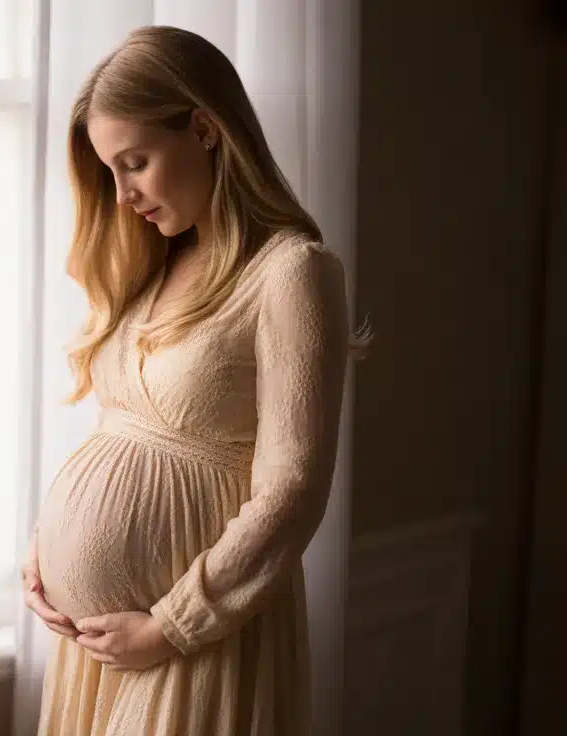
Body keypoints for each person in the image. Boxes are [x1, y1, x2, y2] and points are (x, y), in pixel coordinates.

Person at [21, 25, 364, 735]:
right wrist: (44, 553)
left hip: (196, 641)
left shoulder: (292, 273)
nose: (121, 195)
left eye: (135, 163)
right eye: (109, 171)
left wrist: (171, 627)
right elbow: (120, 433)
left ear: (205, 129)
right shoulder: (160, 263)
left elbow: (293, 490)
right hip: (102, 649)